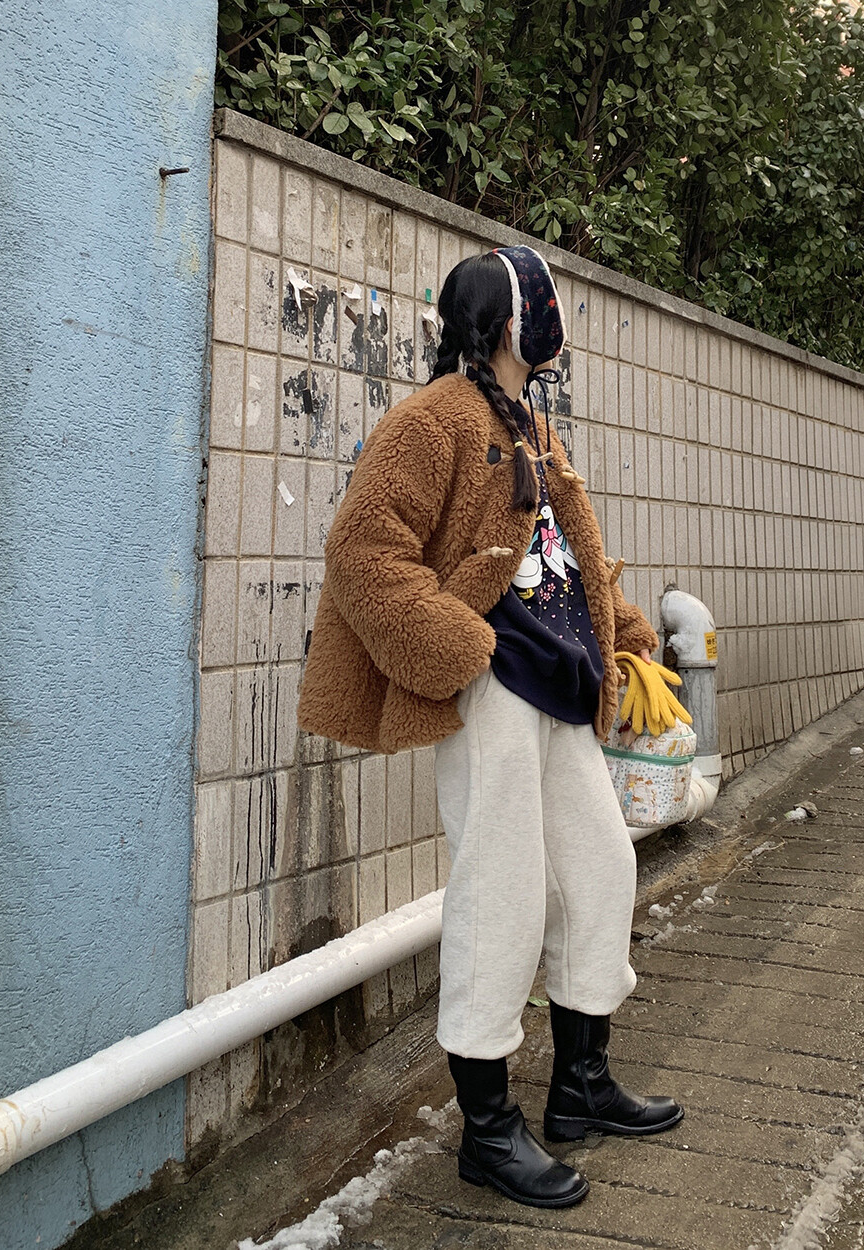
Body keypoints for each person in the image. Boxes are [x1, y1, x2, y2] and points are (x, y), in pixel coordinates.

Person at [297, 245, 682, 1210]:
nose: (556, 320)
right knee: (501, 888)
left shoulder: (531, 424)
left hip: (561, 682)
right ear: (510, 323)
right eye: (544, 303)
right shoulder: (431, 421)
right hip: (494, 685)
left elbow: (574, 555)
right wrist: (462, 648)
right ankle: (487, 1130)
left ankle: (580, 1087)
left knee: (601, 866)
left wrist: (630, 640)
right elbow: (360, 550)